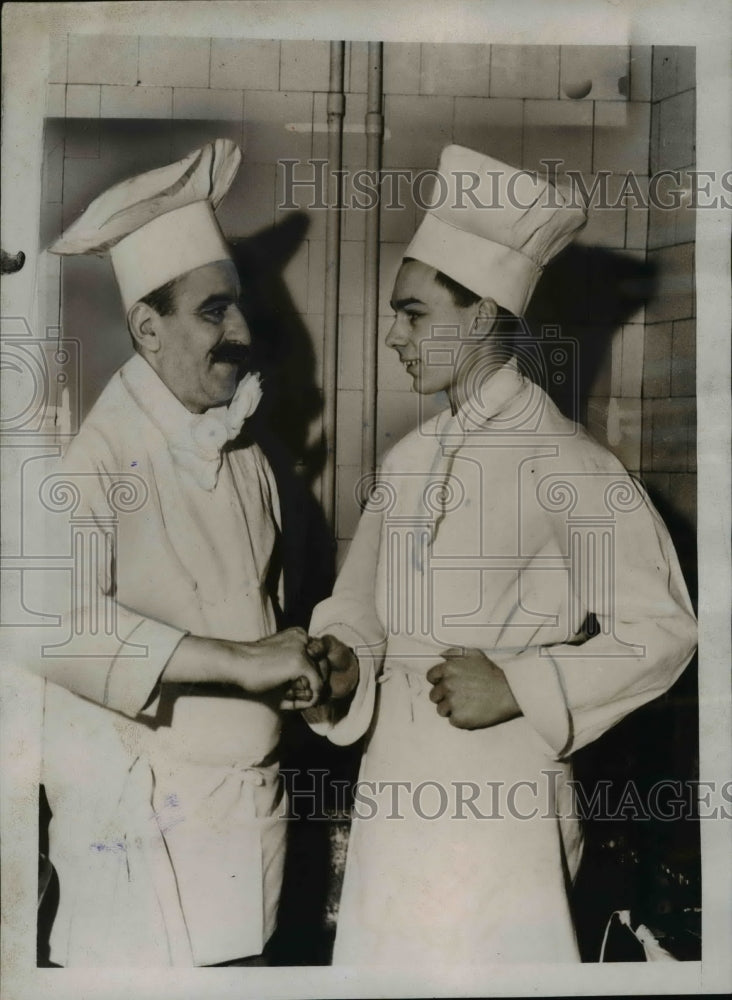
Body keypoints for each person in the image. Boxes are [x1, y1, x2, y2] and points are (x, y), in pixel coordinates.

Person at [305, 145, 698, 964]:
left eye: (412, 314)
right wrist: (346, 657)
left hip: (505, 803)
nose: (392, 335)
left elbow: (664, 629)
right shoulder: (409, 459)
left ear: (480, 315)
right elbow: (360, 606)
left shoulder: (570, 463)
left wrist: (521, 684)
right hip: (393, 793)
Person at [26, 139, 324, 967]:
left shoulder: (247, 455)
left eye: (236, 307)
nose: (239, 331)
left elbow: (258, 616)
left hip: (248, 829)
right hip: (145, 842)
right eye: (211, 311)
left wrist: (300, 667)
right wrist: (243, 661)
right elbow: (50, 629)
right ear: (146, 328)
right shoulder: (89, 466)